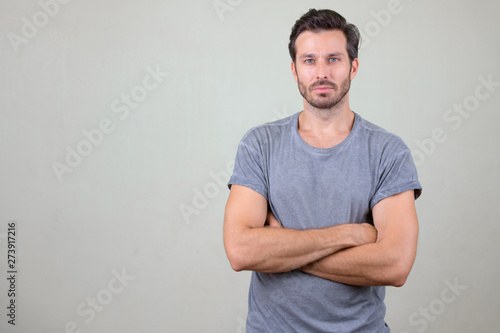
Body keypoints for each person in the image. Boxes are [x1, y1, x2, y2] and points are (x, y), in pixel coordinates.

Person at [223, 8, 422, 332]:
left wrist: (282, 250)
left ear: (353, 66)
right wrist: (350, 235)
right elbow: (241, 251)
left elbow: (395, 264)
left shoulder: (388, 151)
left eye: (333, 59)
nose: (321, 72)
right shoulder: (259, 144)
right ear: (294, 69)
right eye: (309, 60)